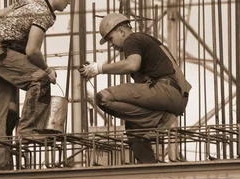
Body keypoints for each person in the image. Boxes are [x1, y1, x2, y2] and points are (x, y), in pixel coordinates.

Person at [0, 0, 78, 171]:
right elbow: (32, 51)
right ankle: (28, 130)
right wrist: (48, 69)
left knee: (6, 111)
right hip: (0, 51)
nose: (69, 2)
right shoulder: (44, 14)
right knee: (40, 79)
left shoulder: (30, 0)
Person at [79, 13, 190, 163]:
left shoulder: (132, 39)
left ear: (121, 31)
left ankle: (159, 119)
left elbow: (132, 64)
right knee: (133, 128)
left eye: (110, 39)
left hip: (165, 91)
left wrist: (99, 68)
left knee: (104, 98)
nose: (112, 45)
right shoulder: (147, 43)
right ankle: (148, 166)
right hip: (175, 96)